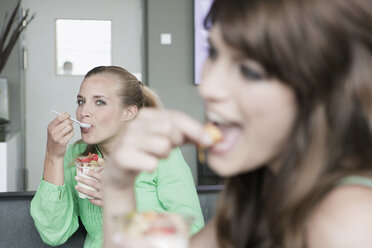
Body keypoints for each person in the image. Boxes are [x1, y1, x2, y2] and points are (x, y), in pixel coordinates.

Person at [103, 0, 372, 247]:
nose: (208, 87)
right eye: (214, 52)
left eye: (250, 71)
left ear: (321, 93)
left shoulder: (350, 219)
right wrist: (117, 186)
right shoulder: (260, 191)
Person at [30, 66, 204, 248]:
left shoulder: (161, 154)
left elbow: (193, 231)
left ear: (128, 112)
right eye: (81, 101)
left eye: (99, 102)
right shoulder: (77, 155)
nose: (83, 112)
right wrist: (53, 156)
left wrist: (121, 204)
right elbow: (52, 232)